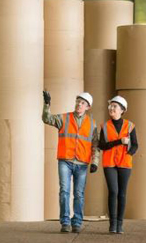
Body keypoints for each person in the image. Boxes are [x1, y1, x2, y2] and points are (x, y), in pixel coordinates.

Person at [42, 91, 100, 233]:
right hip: (65, 161)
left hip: (82, 163)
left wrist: (95, 162)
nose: (79, 104)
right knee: (64, 191)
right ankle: (65, 223)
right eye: (78, 102)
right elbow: (47, 119)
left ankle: (77, 223)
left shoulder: (92, 124)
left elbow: (95, 145)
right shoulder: (64, 118)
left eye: (82, 103)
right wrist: (47, 104)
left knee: (79, 194)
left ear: (88, 107)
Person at [99, 95, 138, 234]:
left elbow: (136, 146)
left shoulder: (130, 126)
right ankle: (112, 224)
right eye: (110, 106)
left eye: (114, 106)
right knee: (113, 192)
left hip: (125, 164)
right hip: (109, 163)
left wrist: (129, 153)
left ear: (122, 110)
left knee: (122, 194)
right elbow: (101, 145)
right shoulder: (104, 126)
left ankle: (120, 224)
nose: (111, 108)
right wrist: (119, 142)